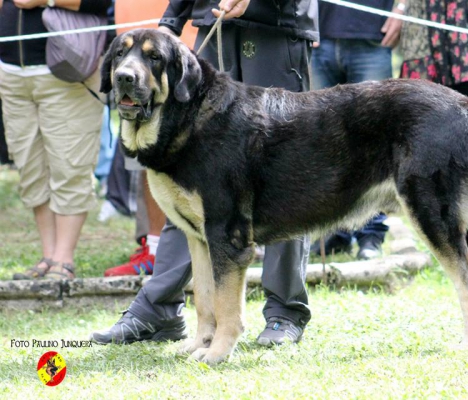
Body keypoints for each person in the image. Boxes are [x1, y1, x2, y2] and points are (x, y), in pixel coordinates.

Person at [90, 0, 318, 347]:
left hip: (275, 25)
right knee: (184, 175)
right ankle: (159, 307)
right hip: (213, 25)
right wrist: (171, 21)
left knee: (282, 173)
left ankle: (284, 311)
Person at [0, 0, 111, 280]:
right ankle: (48, 256)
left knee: (69, 166)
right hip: (11, 74)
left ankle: (64, 259)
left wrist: (45, 0)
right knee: (30, 168)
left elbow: (103, 3)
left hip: (66, 73)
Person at [309, 0, 403, 260]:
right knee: (326, 146)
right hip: (319, 38)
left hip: (372, 37)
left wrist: (403, 8)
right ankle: (334, 232)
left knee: (374, 144)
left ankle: (370, 234)